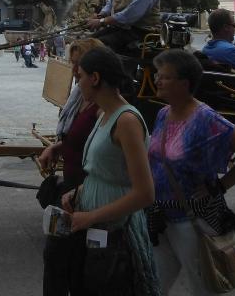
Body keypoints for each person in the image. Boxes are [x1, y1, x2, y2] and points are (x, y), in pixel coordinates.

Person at [147, 49, 235, 296]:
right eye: (158, 74)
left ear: (184, 83)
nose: (157, 80)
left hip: (191, 219)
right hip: (161, 216)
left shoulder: (205, 118)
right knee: (153, 284)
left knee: (202, 286)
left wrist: (221, 186)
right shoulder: (163, 114)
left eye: (165, 76)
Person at [60, 46, 160, 296]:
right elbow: (109, 171)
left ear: (95, 78)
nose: (77, 81)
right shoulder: (105, 113)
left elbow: (145, 193)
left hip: (118, 232)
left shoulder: (125, 121)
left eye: (80, 75)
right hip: (99, 228)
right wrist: (80, 191)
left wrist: (90, 217)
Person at [39, 39, 102, 296]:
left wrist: (83, 192)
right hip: (70, 191)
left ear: (94, 74)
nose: (73, 71)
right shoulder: (80, 97)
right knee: (55, 261)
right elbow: (73, 136)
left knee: (75, 268)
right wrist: (56, 147)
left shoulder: (103, 109)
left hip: (85, 196)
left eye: (78, 66)